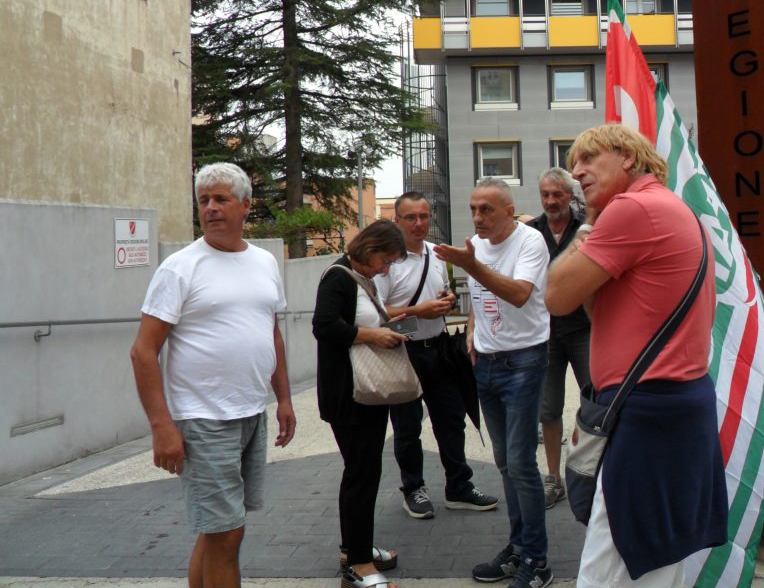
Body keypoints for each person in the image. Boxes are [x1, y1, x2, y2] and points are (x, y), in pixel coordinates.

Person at [546, 124, 728, 587]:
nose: (577, 175)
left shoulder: (631, 208)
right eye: (573, 167)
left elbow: (558, 296)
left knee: (613, 567)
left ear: (627, 157)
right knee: (659, 561)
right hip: (674, 407)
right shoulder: (669, 206)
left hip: (649, 412)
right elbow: (595, 303)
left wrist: (589, 222)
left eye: (588, 160)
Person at [129, 162, 296, 588]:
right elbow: (143, 352)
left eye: (221, 199)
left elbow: (270, 334)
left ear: (245, 205)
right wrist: (162, 426)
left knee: (217, 529)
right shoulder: (180, 268)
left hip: (248, 413)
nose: (211, 208)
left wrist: (284, 399)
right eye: (204, 200)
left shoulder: (263, 262)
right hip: (202, 418)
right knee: (227, 533)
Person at [435, 178, 553, 588]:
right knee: (504, 462)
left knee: (521, 463)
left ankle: (537, 559)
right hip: (485, 362)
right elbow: (483, 301)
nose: (477, 217)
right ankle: (518, 547)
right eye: (472, 208)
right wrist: (472, 331)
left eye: (486, 209)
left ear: (509, 210)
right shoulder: (476, 246)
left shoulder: (530, 242)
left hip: (524, 360)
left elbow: (519, 294)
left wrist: (471, 265)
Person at [378, 191, 498, 519]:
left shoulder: (437, 253)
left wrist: (445, 302)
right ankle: (413, 488)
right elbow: (378, 313)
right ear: (397, 220)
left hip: (440, 349)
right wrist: (421, 310)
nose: (419, 224)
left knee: (452, 419)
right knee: (407, 427)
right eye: (411, 218)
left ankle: (458, 486)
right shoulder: (388, 261)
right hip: (404, 353)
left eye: (424, 216)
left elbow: (444, 296)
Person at [312, 219, 410, 588]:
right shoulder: (338, 276)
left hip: (363, 393)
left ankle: (357, 547)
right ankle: (357, 564)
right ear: (371, 250)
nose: (387, 269)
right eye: (386, 261)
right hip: (349, 393)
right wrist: (371, 334)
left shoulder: (360, 277)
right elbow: (323, 326)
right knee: (360, 474)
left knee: (366, 471)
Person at [526, 168, 591, 509]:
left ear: (570, 195)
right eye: (545, 195)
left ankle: (596, 473)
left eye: (557, 195)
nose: (551, 201)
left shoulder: (587, 228)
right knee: (547, 408)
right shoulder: (530, 231)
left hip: (583, 329)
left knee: (598, 402)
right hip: (545, 332)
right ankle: (553, 478)